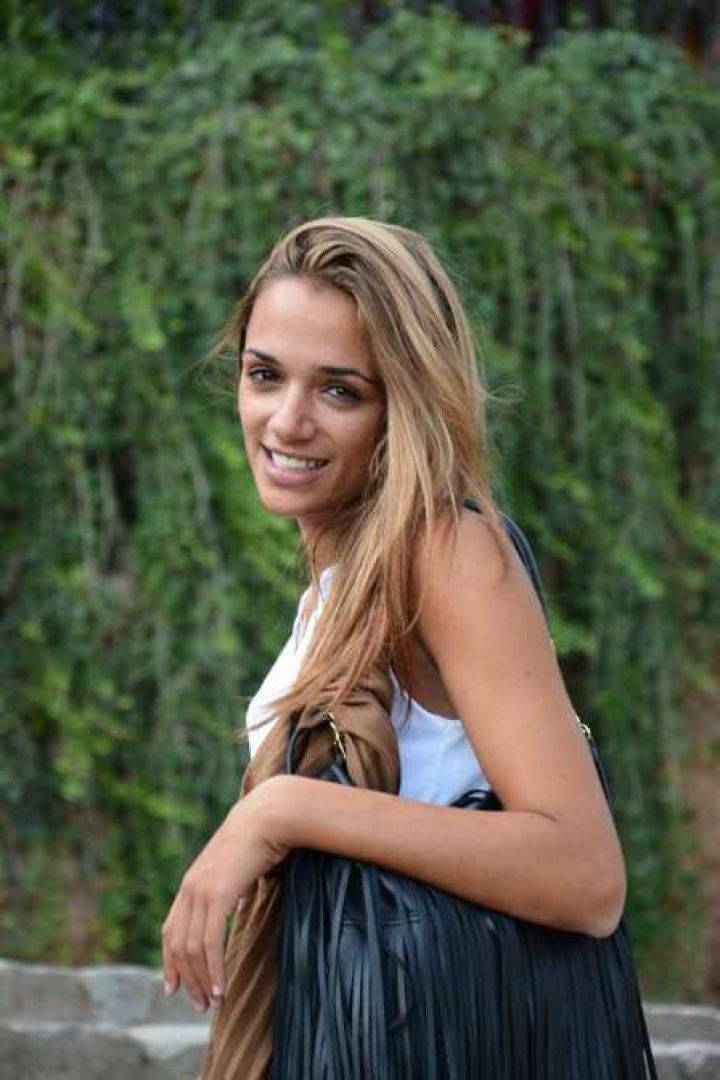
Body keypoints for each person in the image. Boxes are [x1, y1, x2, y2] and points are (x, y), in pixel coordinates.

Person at [161, 217, 626, 1077]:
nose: (286, 420)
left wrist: (280, 810)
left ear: (403, 404)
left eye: (340, 391)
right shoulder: (340, 587)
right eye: (264, 375)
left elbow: (584, 874)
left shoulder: (447, 553)